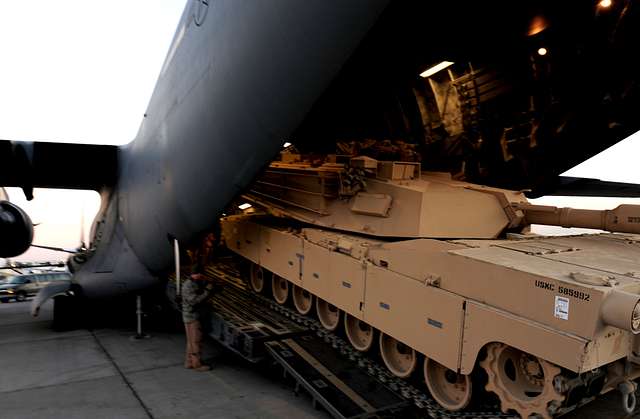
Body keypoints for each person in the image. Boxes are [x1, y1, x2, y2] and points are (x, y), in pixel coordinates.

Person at [182, 233, 215, 371]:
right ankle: (197, 364)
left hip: (190, 316)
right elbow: (194, 301)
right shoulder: (189, 286)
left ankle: (189, 362)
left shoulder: (192, 283)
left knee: (190, 342)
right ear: (195, 274)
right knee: (196, 341)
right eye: (200, 275)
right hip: (192, 317)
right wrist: (207, 291)